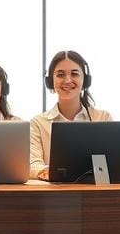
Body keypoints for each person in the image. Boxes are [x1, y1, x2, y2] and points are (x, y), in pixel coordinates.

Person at [30, 50, 112, 180]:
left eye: (74, 74)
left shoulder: (103, 118)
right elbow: (33, 165)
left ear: (85, 80)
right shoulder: (38, 123)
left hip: (94, 193)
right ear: (51, 81)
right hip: (53, 193)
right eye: (60, 75)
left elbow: (113, 162)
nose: (68, 80)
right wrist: (49, 172)